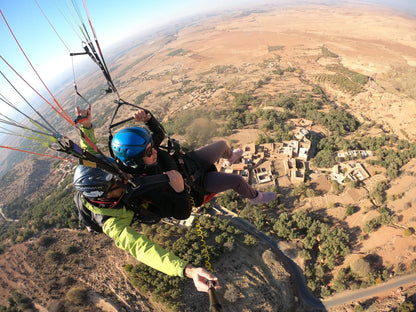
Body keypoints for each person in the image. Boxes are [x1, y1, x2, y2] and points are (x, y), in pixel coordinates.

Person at [73, 164, 220, 293]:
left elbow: (87, 149)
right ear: (105, 195)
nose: (124, 179)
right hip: (111, 216)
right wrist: (188, 270)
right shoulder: (111, 224)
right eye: (117, 182)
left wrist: (86, 131)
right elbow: (142, 249)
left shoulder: (102, 181)